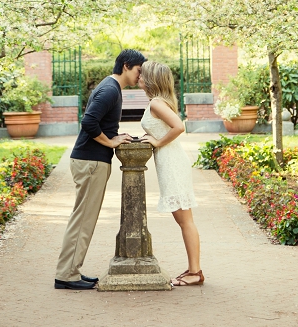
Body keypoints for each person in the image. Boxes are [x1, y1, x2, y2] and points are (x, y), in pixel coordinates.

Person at [55, 49, 146, 289]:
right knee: (83, 220)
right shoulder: (109, 89)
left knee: (83, 219)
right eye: (139, 70)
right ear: (126, 65)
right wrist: (111, 141)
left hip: (91, 161)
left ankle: (71, 270)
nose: (140, 75)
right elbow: (88, 122)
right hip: (91, 162)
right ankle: (66, 276)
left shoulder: (110, 87)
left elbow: (100, 122)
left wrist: (117, 135)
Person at [138, 60, 203, 287]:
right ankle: (193, 269)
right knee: (183, 219)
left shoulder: (156, 103)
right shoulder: (158, 102)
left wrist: (156, 141)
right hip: (171, 162)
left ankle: (195, 272)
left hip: (173, 163)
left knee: (185, 220)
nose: (139, 78)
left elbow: (179, 126)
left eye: (142, 75)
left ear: (151, 80)